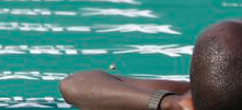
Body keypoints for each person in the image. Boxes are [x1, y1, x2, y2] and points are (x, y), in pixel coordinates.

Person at [60, 19, 242, 110]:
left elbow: (74, 84)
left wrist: (168, 103)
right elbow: (75, 85)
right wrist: (171, 102)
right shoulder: (191, 96)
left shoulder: (188, 98)